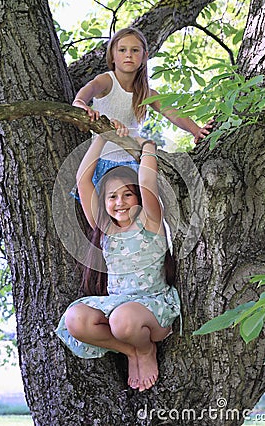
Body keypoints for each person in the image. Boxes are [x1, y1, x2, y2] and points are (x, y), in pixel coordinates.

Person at [56, 129, 181, 392]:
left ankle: (146, 348)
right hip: (118, 310)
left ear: (138, 198)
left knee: (123, 320)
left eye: (127, 194)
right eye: (112, 196)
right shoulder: (105, 229)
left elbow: (147, 180)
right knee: (75, 319)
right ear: (104, 202)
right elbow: (83, 180)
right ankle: (133, 352)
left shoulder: (150, 223)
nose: (120, 202)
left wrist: (148, 147)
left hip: (151, 312)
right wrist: (102, 137)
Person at [72, 27, 212, 189]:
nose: (129, 55)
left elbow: (171, 112)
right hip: (103, 157)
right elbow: (84, 94)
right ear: (112, 56)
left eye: (135, 50)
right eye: (122, 50)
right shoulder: (106, 81)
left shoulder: (146, 93)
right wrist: (81, 104)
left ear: (145, 56)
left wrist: (196, 130)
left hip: (133, 159)